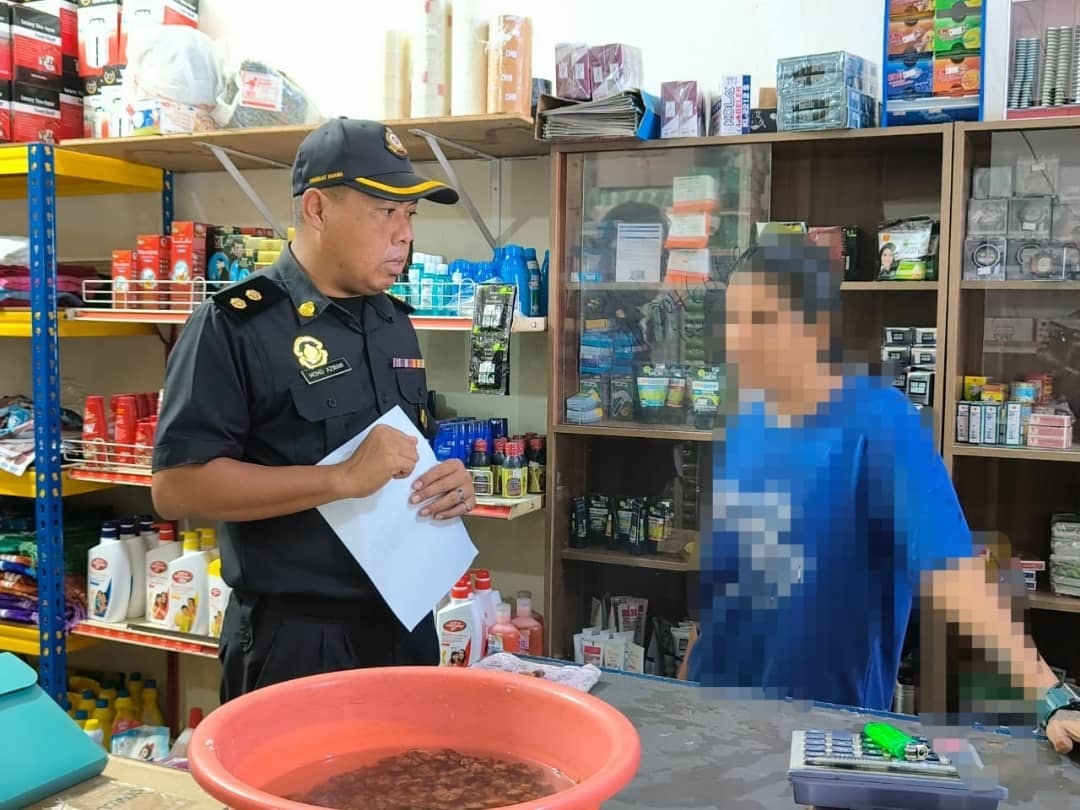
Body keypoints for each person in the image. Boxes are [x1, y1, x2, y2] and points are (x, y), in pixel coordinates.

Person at [680, 232, 1080, 755]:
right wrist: (682, 692)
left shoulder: (880, 420)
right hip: (712, 715)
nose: (738, 340)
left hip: (821, 731)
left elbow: (954, 571)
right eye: (733, 319)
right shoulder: (745, 419)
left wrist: (1048, 695)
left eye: (762, 320)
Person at [151, 118, 476, 702]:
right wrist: (340, 479)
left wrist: (447, 485)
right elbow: (177, 488)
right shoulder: (233, 326)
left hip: (406, 625)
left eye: (410, 215)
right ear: (318, 209)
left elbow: (400, 459)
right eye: (385, 212)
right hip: (296, 642)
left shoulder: (394, 322)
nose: (405, 234)